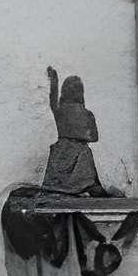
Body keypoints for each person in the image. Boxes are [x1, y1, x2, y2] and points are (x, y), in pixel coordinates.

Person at [41, 66, 107, 195]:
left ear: (63, 92)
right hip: (80, 159)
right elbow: (94, 137)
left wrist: (54, 80)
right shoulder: (87, 115)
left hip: (60, 155)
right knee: (86, 157)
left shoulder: (60, 111)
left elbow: (52, 100)